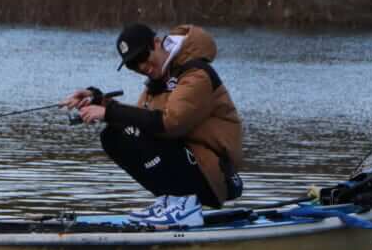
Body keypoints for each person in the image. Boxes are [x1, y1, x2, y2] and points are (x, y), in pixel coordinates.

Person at [63, 23, 244, 228]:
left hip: (218, 175)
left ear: (157, 43)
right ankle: (172, 200)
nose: (141, 67)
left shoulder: (196, 74)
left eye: (142, 57)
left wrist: (110, 112)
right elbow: (140, 121)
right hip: (191, 162)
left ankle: (186, 205)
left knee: (139, 132)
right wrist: (98, 100)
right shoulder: (159, 80)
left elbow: (170, 124)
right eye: (133, 64)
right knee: (113, 137)